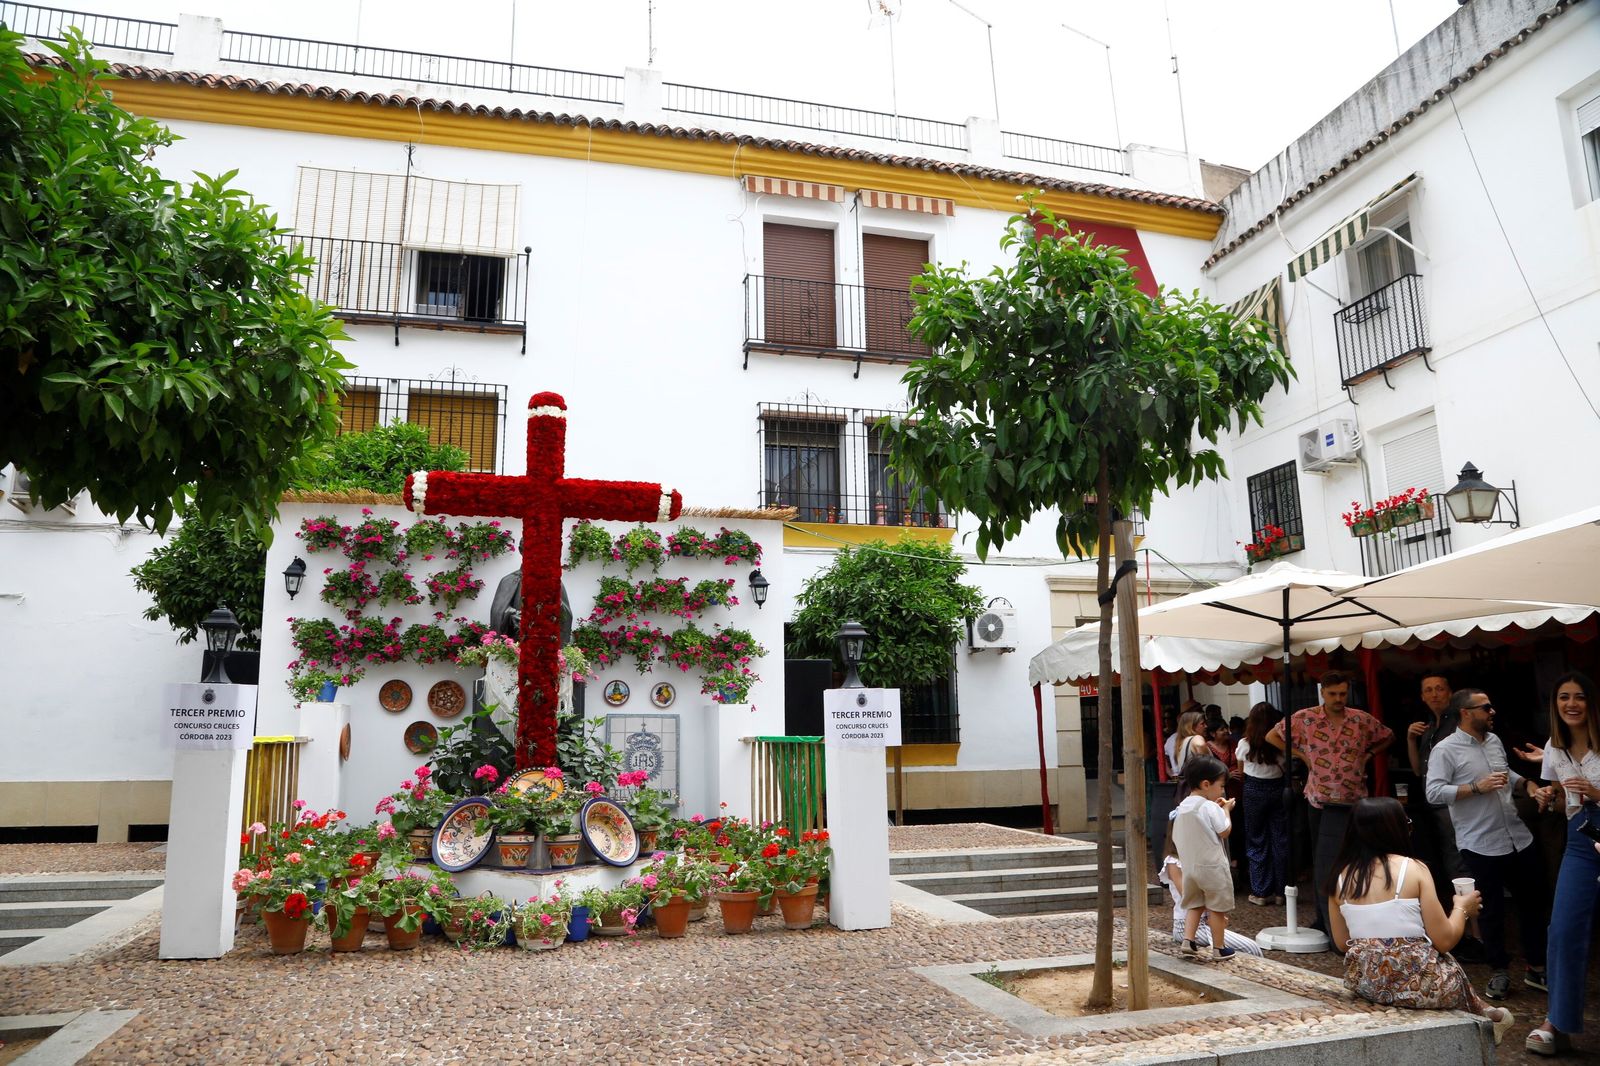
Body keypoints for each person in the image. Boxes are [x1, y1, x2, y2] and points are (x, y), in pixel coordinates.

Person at [1327, 797, 1514, 1045]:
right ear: (1396, 829)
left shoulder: (1339, 877)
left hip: (1367, 985)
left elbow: (1342, 943)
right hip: (1423, 987)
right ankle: (1492, 1015)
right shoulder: (1413, 869)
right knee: (1443, 960)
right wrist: (1462, 909)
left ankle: (1490, 1014)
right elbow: (1444, 940)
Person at [1425, 688, 1552, 1001]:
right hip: (1480, 842)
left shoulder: (1494, 741)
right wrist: (1474, 788)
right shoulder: (1445, 750)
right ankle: (1499, 971)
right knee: (1492, 911)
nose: (1492, 711)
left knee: (1534, 905)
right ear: (1466, 713)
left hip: (1517, 837)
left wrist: (1529, 784)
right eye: (1486, 707)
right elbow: (1433, 793)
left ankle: (1537, 968)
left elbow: (1504, 774)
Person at [1267, 669, 1395, 937]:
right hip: (1320, 798)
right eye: (1333, 693)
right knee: (1322, 857)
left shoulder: (1360, 719)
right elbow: (1272, 736)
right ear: (1322, 692)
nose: (1338, 698)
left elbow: (1388, 735)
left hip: (1354, 798)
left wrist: (1368, 755)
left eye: (1342, 693)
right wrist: (1302, 756)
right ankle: (1323, 917)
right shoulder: (1306, 718)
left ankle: (1355, 910)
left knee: (1356, 855)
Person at [1521, 672, 1600, 1057]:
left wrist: (1598, 792)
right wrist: (1548, 796)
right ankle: (1557, 1019)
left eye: (1580, 697)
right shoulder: (1555, 746)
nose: (1571, 704)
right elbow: (1558, 800)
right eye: (1564, 696)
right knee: (1563, 930)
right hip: (1581, 840)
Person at [1171, 755, 1237, 961]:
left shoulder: (1182, 807)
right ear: (1206, 784)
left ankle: (1188, 941)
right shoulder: (1209, 807)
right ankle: (1219, 948)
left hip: (1190, 867)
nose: (1222, 791)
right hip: (1212, 866)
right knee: (1217, 907)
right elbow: (1225, 830)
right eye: (1221, 786)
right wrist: (1226, 810)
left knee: (1195, 903)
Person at [1160, 830, 1262, 958]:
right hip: (1186, 925)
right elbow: (1189, 897)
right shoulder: (1173, 861)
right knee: (1251, 948)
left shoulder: (1198, 856)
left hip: (1206, 921)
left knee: (1251, 947)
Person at [1236, 701, 1288, 906]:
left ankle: (1260, 891)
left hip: (1253, 789)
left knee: (1256, 839)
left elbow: (1241, 771)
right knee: (1280, 839)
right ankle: (1281, 891)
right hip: (1277, 789)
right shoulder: (1280, 743)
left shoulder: (1245, 743)